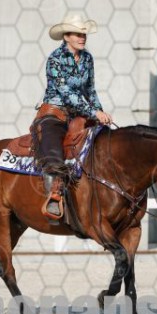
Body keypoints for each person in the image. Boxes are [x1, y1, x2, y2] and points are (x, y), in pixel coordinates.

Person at [32, 14, 113, 220]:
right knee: (53, 148)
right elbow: (66, 94)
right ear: (66, 36)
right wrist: (93, 112)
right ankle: (55, 195)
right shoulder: (55, 59)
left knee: (105, 139)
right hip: (55, 113)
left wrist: (100, 113)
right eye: (77, 34)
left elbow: (90, 90)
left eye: (83, 34)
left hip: (80, 114)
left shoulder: (87, 59)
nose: (82, 38)